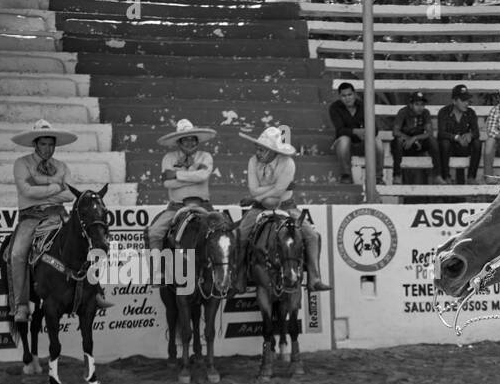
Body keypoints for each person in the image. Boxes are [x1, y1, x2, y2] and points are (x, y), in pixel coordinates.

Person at [8, 119, 112, 322]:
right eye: (44, 144)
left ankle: (96, 292)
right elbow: (26, 191)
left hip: (59, 214)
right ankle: (20, 305)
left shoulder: (62, 166)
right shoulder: (22, 164)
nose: (48, 149)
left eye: (51, 144)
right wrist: (56, 186)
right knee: (17, 254)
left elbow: (70, 195)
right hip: (31, 216)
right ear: (35, 144)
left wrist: (40, 189)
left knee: (91, 242)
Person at [236, 127, 330, 294]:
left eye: (262, 149)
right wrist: (277, 187)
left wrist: (261, 195)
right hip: (260, 207)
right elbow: (254, 189)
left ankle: (314, 278)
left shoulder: (287, 163)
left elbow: (277, 193)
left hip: (286, 205)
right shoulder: (252, 161)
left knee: (312, 236)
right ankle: (240, 276)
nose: (258, 152)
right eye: (257, 148)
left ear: (273, 151)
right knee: (240, 235)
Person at [146, 119, 216, 253]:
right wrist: (194, 175)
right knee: (154, 233)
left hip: (203, 205)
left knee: (224, 231)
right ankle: (157, 271)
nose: (190, 143)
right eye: (185, 140)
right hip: (177, 207)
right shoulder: (169, 158)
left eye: (193, 139)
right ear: (179, 142)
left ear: (197, 141)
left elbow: (203, 176)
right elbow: (167, 183)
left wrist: (177, 174)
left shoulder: (205, 156)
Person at [391, 90, 440, 182]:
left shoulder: (425, 113)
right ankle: (397, 175)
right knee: (398, 141)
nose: (420, 107)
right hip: (404, 144)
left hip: (418, 143)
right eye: (417, 104)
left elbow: (429, 132)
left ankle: (437, 175)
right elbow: (395, 132)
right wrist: (409, 139)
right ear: (410, 104)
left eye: (422, 104)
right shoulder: (403, 112)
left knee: (432, 140)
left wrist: (414, 139)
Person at [437, 84, 482, 184]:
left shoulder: (470, 112)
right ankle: (446, 176)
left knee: (477, 143)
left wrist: (470, 135)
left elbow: (476, 132)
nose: (466, 103)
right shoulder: (443, 112)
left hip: (464, 147)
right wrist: (457, 138)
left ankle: (471, 177)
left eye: (467, 100)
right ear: (454, 101)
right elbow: (441, 133)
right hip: (450, 148)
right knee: (444, 142)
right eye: (463, 101)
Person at [329, 81, 366, 185]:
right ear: (339, 97)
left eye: (349, 94)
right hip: (343, 146)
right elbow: (340, 130)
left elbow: (375, 128)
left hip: (362, 143)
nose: (347, 98)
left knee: (377, 142)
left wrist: (366, 133)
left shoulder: (363, 106)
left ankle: (378, 177)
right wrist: (356, 131)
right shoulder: (334, 108)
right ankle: (346, 176)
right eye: (343, 96)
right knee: (345, 139)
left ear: (354, 94)